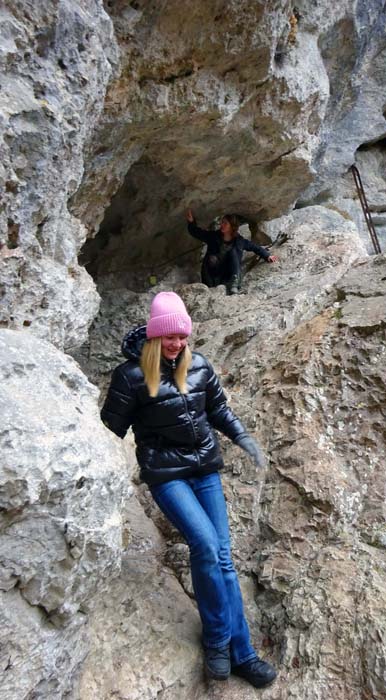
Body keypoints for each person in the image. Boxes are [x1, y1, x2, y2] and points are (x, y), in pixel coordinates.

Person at [100, 291, 277, 688]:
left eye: (182, 336)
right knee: (205, 545)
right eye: (169, 337)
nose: (177, 344)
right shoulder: (130, 377)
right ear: (154, 337)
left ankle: (243, 653)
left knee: (224, 559)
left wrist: (244, 439)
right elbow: (109, 430)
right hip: (167, 475)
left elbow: (218, 410)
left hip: (205, 471)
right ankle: (217, 640)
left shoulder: (197, 366)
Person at [186, 209, 277, 294]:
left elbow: (255, 247)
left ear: (232, 226)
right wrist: (191, 222)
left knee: (233, 252)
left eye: (225, 223)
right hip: (212, 274)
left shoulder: (239, 241)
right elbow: (197, 233)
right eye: (222, 222)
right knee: (212, 258)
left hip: (228, 275)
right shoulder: (213, 237)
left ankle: (234, 284)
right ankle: (212, 285)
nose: (222, 225)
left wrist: (267, 256)